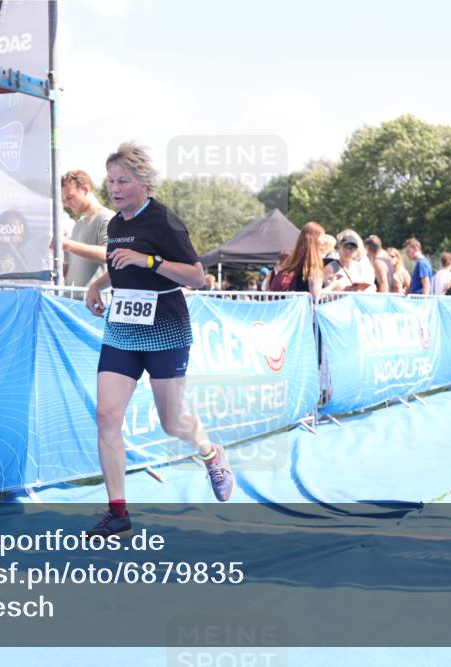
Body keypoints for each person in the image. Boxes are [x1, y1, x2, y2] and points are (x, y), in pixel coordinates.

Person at [83, 143, 234, 538]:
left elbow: (197, 276)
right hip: (123, 327)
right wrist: (97, 285)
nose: (114, 188)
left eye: (123, 181)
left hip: (165, 327)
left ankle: (211, 452)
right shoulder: (115, 224)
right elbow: (119, 265)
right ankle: (118, 512)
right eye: (111, 181)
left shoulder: (165, 221)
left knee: (172, 422)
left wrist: (149, 262)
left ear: (144, 183)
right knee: (106, 415)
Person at [61, 170, 114, 287]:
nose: (67, 204)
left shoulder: (107, 218)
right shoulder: (78, 224)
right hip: (71, 302)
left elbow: (109, 254)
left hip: (94, 303)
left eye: (70, 197)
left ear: (85, 189)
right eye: (65, 200)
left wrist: (67, 245)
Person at [271, 221, 325, 299]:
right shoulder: (313, 267)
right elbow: (316, 296)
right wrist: (334, 286)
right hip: (307, 310)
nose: (323, 242)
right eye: (322, 237)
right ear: (315, 240)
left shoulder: (292, 263)